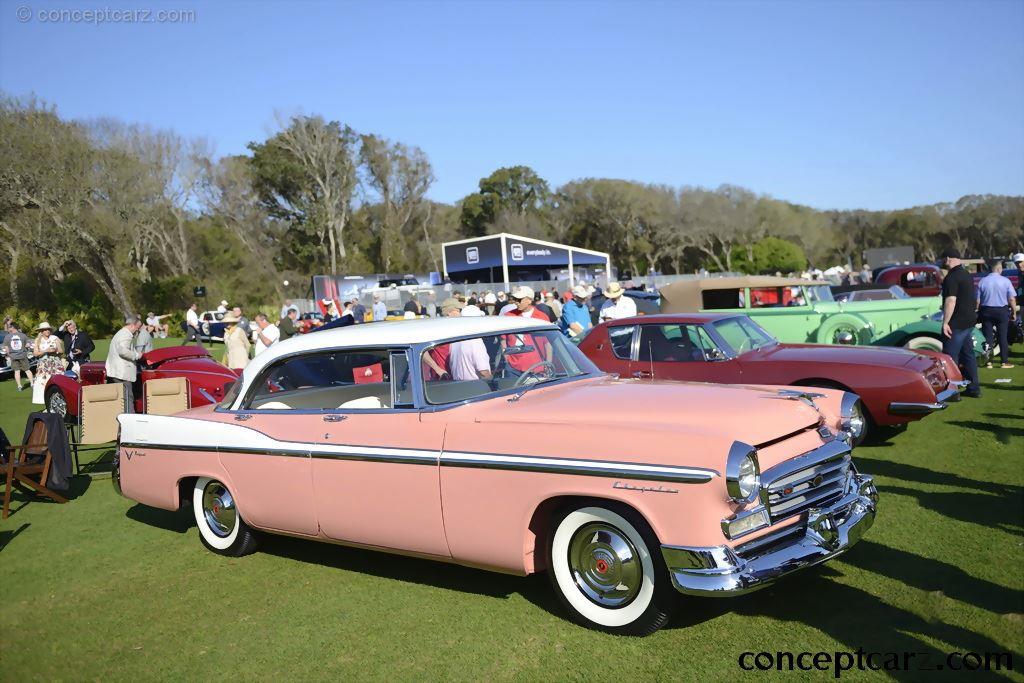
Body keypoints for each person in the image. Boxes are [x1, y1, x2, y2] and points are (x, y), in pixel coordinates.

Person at [939, 248, 981, 398]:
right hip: (968, 321)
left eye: (942, 258)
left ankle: (952, 391)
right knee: (968, 355)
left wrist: (946, 323)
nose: (941, 261)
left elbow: (951, 300)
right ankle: (974, 388)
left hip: (957, 323)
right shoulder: (966, 275)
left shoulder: (952, 277)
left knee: (950, 358)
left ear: (948, 258)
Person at [976, 259, 1018, 369]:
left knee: (987, 337)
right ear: (999, 269)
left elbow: (978, 300)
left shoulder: (982, 281)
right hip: (1001, 311)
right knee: (1002, 336)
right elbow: (1012, 299)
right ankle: (1004, 362)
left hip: (986, 310)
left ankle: (988, 361)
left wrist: (977, 310)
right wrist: (1014, 312)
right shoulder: (1005, 281)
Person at [105, 316, 144, 410]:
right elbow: (123, 351)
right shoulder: (125, 335)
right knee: (128, 397)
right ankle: (130, 420)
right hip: (122, 372)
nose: (137, 330)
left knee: (124, 397)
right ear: (131, 325)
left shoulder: (120, 333)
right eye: (137, 328)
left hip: (117, 371)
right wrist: (137, 355)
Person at [31, 322, 66, 405]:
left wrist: (55, 351)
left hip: (55, 363)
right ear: (42, 331)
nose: (47, 331)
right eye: (45, 330)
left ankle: (58, 401)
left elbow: (61, 351)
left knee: (57, 381)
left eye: (48, 329)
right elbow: (36, 353)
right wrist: (46, 350)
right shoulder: (38, 340)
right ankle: (45, 403)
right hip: (43, 365)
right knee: (42, 382)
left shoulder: (55, 338)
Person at [2, 322, 33, 391]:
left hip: (13, 357)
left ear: (12, 327)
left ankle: (19, 387)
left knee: (17, 371)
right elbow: (28, 345)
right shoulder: (23, 335)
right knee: (27, 370)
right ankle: (32, 384)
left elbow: (6, 349)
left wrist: (9, 355)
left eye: (9, 327)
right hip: (23, 355)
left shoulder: (7, 337)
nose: (9, 328)